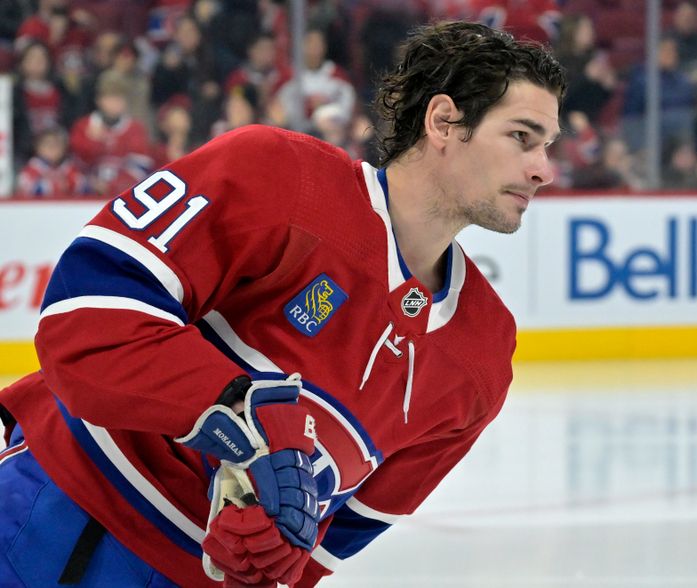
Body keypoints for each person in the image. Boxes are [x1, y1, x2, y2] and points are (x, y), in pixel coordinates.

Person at [0, 21, 565, 587]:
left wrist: (271, 557)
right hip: (54, 512)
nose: (543, 169)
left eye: (547, 146)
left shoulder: (482, 356)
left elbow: (339, 537)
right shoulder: (278, 175)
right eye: (522, 136)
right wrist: (244, 415)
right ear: (444, 121)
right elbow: (87, 319)